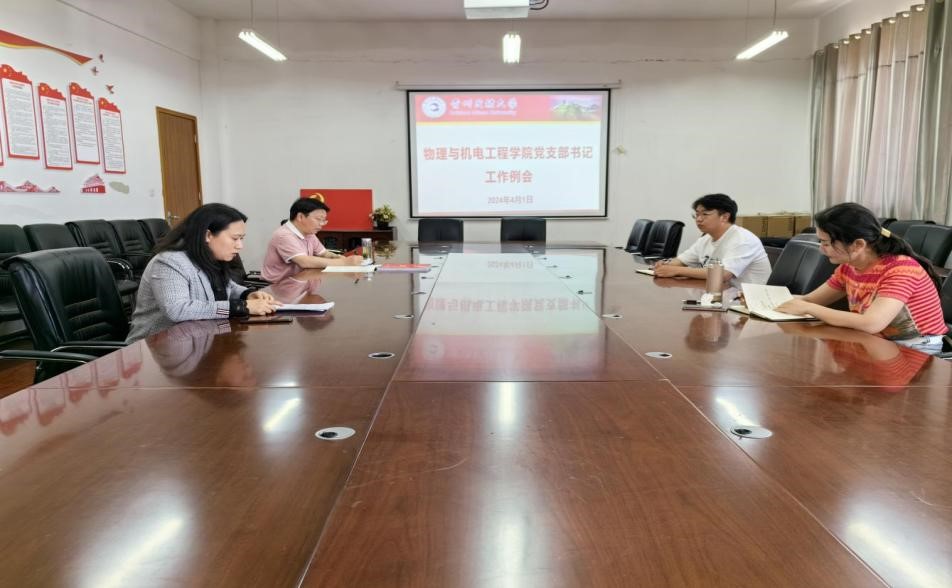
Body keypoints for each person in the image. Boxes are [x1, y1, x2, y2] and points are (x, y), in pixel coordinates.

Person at [775, 203, 947, 352]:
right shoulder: (848, 267)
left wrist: (809, 308)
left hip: (916, 347)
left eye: (826, 243)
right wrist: (767, 303)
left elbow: (871, 323)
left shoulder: (900, 269)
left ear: (858, 244)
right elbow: (810, 300)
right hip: (877, 342)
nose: (821, 249)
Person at [126, 203, 280, 342]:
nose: (240, 246)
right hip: (158, 345)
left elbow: (228, 286)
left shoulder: (208, 256)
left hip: (197, 338)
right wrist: (241, 307)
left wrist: (247, 295)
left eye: (242, 238)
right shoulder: (169, 262)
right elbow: (177, 309)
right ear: (208, 235)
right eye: (235, 238)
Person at [653, 193, 771, 286]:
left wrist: (676, 270)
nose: (698, 219)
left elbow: (723, 274)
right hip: (719, 293)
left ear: (725, 217)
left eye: (705, 214)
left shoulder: (743, 239)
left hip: (746, 300)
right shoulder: (706, 238)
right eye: (697, 214)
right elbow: (682, 260)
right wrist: (665, 265)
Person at [261, 198, 363, 282]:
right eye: (318, 219)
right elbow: (304, 262)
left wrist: (340, 258)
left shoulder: (309, 233)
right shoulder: (284, 235)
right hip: (278, 286)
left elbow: (324, 253)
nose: (321, 224)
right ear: (300, 217)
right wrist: (344, 263)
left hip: (300, 280)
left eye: (324, 220)